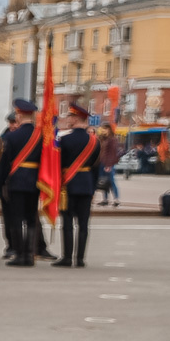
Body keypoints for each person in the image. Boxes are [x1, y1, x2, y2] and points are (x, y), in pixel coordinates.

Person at [54, 102, 99, 268]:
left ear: (75, 118)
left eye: (70, 116)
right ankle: (80, 259)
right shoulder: (95, 142)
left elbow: (58, 165)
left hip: (68, 186)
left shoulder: (64, 140)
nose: (68, 119)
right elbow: (96, 169)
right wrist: (93, 188)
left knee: (67, 223)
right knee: (83, 224)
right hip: (86, 185)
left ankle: (67, 257)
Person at [0, 98, 44, 266]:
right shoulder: (41, 136)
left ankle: (19, 254)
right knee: (31, 218)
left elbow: (5, 163)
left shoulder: (12, 136)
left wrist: (2, 182)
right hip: (35, 180)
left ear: (19, 115)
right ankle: (29, 254)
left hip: (16, 181)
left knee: (16, 219)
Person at [95, 124, 121, 205]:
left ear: (109, 129)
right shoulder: (102, 139)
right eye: (102, 129)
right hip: (101, 162)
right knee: (103, 181)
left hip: (108, 163)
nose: (103, 130)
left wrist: (109, 165)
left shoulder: (112, 140)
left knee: (111, 181)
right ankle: (105, 199)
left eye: (105, 129)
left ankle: (116, 199)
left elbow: (112, 153)